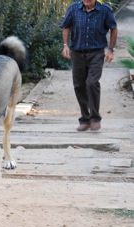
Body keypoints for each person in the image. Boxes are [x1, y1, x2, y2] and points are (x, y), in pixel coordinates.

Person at [61, 0, 118, 131]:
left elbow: (113, 28)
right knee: (79, 85)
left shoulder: (105, 10)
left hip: (96, 53)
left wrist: (111, 50)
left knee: (92, 82)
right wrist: (65, 45)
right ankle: (85, 119)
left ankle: (95, 118)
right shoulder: (74, 8)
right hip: (77, 53)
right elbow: (66, 26)